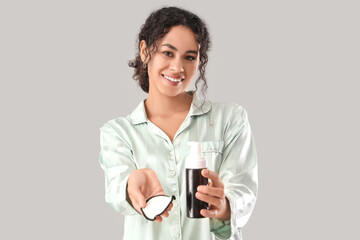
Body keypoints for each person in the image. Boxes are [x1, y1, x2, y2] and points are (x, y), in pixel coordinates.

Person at [99, 6, 258, 240]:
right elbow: (115, 190)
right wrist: (130, 185)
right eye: (168, 53)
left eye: (189, 57)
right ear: (145, 51)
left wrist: (222, 207)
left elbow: (244, 191)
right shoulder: (118, 132)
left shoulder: (230, 119)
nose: (178, 67)